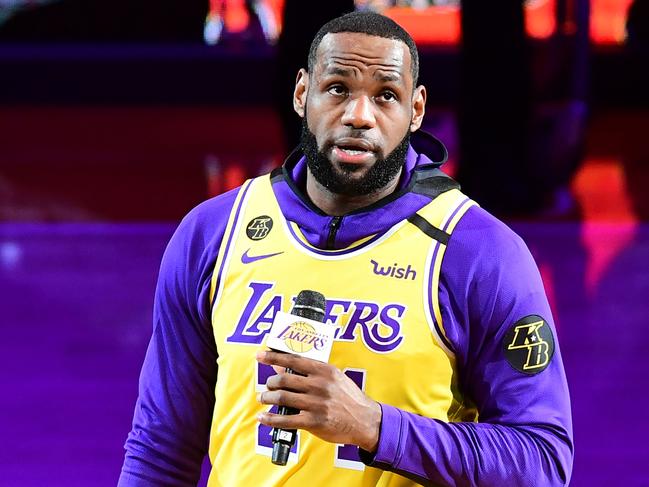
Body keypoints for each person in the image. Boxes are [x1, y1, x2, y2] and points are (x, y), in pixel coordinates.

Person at [118, 11, 573, 486]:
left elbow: (542, 461)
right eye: (338, 88)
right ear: (301, 93)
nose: (359, 115)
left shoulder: (479, 253)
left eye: (386, 96)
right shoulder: (213, 232)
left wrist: (375, 426)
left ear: (415, 110)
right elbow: (160, 449)